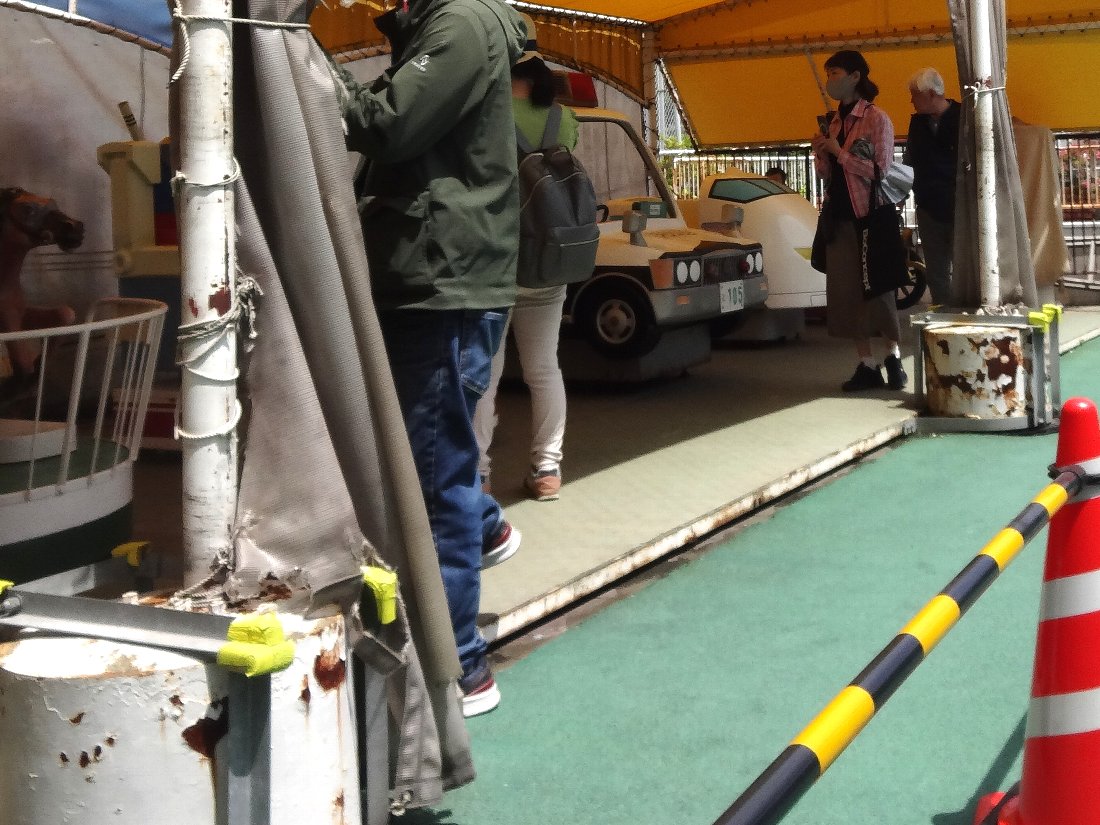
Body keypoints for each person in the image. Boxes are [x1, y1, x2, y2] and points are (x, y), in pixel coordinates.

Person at [333, 0, 528, 718]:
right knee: (430, 459)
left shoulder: (461, 25)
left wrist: (310, 64)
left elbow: (389, 124)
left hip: (442, 276)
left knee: (433, 481)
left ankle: (461, 668)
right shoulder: (444, 27)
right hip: (432, 273)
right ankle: (487, 524)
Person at [473, 27, 578, 503]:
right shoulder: (564, 119)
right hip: (548, 258)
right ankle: (547, 469)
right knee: (544, 368)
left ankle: (479, 474)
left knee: (486, 374)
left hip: (496, 259)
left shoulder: (484, 116)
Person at [810, 50, 907, 392]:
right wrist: (821, 154)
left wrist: (839, 153)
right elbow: (827, 175)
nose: (829, 80)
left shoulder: (876, 118)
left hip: (872, 217)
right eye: (827, 74)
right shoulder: (833, 122)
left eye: (834, 72)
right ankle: (866, 363)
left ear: (855, 76)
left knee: (879, 288)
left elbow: (880, 170)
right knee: (847, 292)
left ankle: (893, 356)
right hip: (839, 217)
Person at [904, 67, 961, 306]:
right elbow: (909, 160)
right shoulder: (917, 123)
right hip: (928, 205)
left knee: (964, 267)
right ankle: (942, 313)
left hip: (960, 206)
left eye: (915, 95)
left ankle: (966, 314)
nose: (912, 101)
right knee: (936, 270)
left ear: (930, 94)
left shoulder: (964, 116)